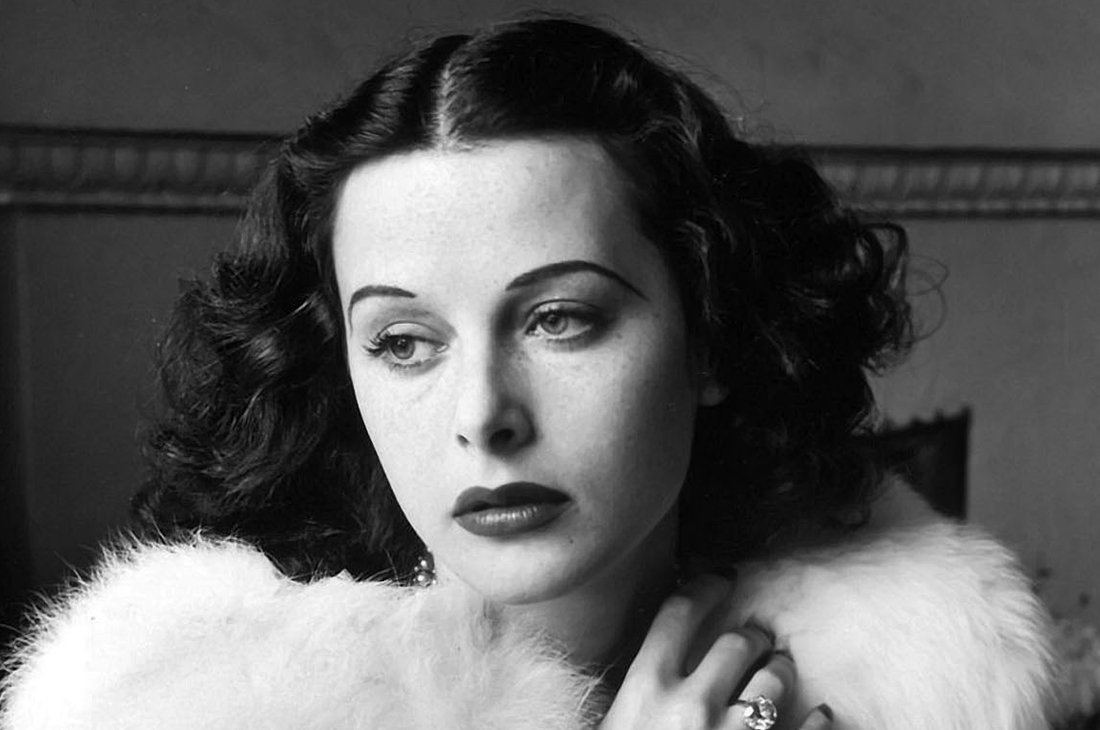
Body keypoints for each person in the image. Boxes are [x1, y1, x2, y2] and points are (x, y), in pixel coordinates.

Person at [0, 16, 1055, 730]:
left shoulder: (923, 681)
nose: (482, 416)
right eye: (403, 342)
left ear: (709, 338)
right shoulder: (182, 703)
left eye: (559, 319)